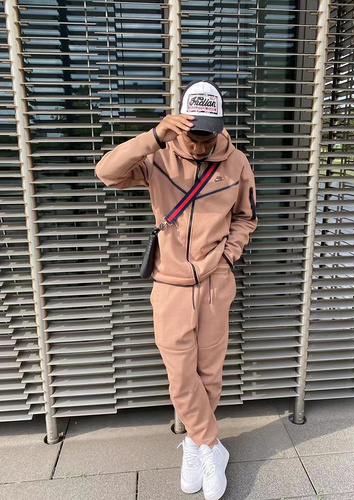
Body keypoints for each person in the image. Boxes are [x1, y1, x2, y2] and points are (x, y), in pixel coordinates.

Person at [95, 80, 257, 500]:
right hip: (169, 284)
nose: (200, 145)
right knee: (181, 373)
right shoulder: (158, 157)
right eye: (194, 135)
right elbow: (106, 172)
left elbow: (246, 217)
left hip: (215, 282)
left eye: (208, 136)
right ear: (180, 123)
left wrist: (227, 257)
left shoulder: (237, 162)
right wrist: (154, 136)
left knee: (209, 372)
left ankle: (194, 444)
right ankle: (210, 444)